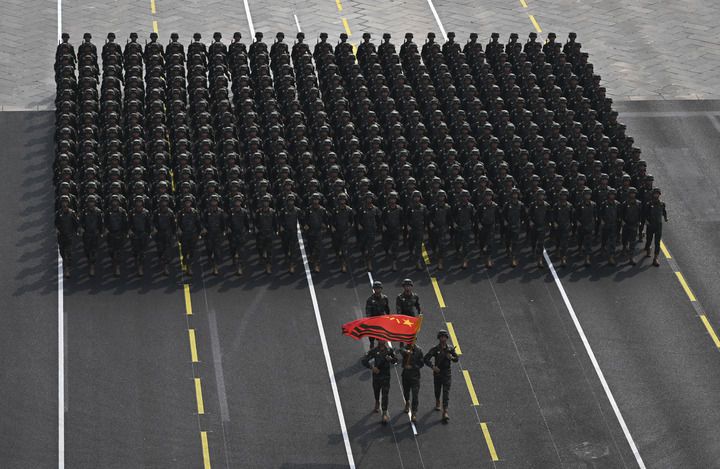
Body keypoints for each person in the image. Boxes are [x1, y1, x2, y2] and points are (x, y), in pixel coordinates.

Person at [424, 330, 459, 423]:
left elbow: (456, 359)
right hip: (438, 373)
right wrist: (433, 367)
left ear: (447, 338)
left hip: (447, 373)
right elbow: (426, 359)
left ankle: (445, 411)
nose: (443, 339)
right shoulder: (435, 349)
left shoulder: (450, 348)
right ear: (439, 338)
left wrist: (451, 357)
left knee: (446, 392)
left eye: (444, 337)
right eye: (441, 337)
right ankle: (437, 400)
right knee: (437, 390)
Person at [361, 340, 397, 424]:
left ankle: (384, 412)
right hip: (376, 375)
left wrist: (391, 359)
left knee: (385, 394)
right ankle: (377, 401)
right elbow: (364, 360)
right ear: (378, 340)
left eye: (384, 339)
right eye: (381, 339)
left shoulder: (390, 351)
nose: (382, 340)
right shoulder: (374, 351)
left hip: (386, 376)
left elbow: (396, 361)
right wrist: (372, 368)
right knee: (376, 391)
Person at [399, 341, 424, 423]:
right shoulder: (405, 348)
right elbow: (401, 350)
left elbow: (421, 363)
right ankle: (407, 402)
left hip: (415, 376)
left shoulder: (419, 350)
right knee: (406, 392)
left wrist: (413, 366)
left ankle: (414, 413)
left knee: (415, 395)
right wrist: (406, 351)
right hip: (406, 375)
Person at [202, 194, 227, 276]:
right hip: (208, 234)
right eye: (212, 201)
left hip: (217, 234)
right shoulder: (206, 212)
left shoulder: (221, 211)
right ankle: (210, 259)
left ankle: (215, 267)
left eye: (215, 201)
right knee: (209, 249)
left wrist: (224, 230)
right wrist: (204, 228)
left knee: (217, 251)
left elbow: (223, 222)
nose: (214, 202)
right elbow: (203, 221)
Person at [177, 196, 202, 276]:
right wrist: (178, 229)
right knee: (184, 252)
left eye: (189, 202)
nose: (188, 203)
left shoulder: (195, 212)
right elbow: (177, 223)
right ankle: (185, 262)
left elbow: (198, 223)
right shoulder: (180, 213)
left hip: (193, 234)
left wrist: (200, 233)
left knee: (191, 252)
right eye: (186, 202)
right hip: (184, 235)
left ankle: (189, 267)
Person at [55, 195, 79, 278]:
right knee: (62, 252)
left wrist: (77, 231)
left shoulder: (72, 213)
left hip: (69, 236)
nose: (64, 204)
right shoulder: (58, 213)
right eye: (63, 202)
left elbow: (76, 223)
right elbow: (56, 223)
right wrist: (57, 229)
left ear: (68, 203)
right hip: (61, 236)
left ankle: (67, 269)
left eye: (65, 202)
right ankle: (66, 264)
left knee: (68, 253)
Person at [79, 195, 103, 277]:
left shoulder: (98, 212)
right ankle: (90, 259)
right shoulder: (84, 212)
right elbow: (80, 222)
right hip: (86, 234)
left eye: (92, 202)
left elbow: (100, 223)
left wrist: (101, 232)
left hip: (95, 234)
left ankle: (92, 265)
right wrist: (81, 229)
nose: (91, 204)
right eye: (90, 202)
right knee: (87, 250)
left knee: (94, 250)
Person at [643, 187, 668, 266]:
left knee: (657, 242)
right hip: (650, 224)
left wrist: (665, 218)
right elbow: (645, 214)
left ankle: (655, 258)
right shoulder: (649, 204)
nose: (656, 195)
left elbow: (664, 211)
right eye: (655, 194)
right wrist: (646, 221)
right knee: (649, 240)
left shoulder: (662, 204)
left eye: (657, 194)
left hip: (658, 225)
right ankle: (648, 249)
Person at [227, 194, 251, 276]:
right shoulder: (231, 211)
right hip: (232, 234)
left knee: (241, 251)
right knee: (233, 250)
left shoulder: (244, 212)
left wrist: (247, 231)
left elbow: (247, 223)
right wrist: (228, 228)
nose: (237, 203)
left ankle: (239, 267)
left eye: (239, 201)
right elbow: (227, 222)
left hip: (241, 234)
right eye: (236, 201)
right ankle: (234, 261)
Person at [128, 196, 152, 276]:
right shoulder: (131, 212)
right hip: (134, 234)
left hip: (143, 234)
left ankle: (140, 267)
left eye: (140, 202)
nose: (139, 203)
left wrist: (149, 233)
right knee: (135, 251)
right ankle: (137, 262)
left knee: (142, 252)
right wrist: (129, 231)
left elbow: (149, 224)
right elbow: (128, 223)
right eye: (137, 202)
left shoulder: (146, 212)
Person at [153, 194, 177, 276]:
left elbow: (173, 224)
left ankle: (165, 267)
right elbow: (152, 222)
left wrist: (174, 234)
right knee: (160, 251)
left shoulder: (170, 212)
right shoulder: (156, 212)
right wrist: (154, 228)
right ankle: (162, 260)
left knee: (167, 252)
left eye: (165, 201)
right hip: (159, 234)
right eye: (162, 201)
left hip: (168, 234)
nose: (164, 203)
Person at [365, 281, 390, 348]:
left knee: (382, 338)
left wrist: (388, 318)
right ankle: (372, 351)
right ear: (373, 289)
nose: (377, 290)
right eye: (376, 288)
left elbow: (387, 309)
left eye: (379, 288)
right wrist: (369, 321)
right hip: (373, 321)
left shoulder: (385, 298)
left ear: (381, 289)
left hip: (382, 321)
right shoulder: (370, 300)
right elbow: (368, 311)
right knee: (372, 339)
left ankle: (383, 351)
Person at [620, 187, 641, 265]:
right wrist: (622, 221)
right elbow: (621, 213)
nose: (632, 195)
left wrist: (639, 221)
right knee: (624, 238)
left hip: (634, 224)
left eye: (634, 193)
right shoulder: (625, 203)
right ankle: (624, 248)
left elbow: (640, 213)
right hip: (626, 223)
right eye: (631, 193)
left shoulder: (638, 203)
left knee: (633, 241)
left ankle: (631, 257)